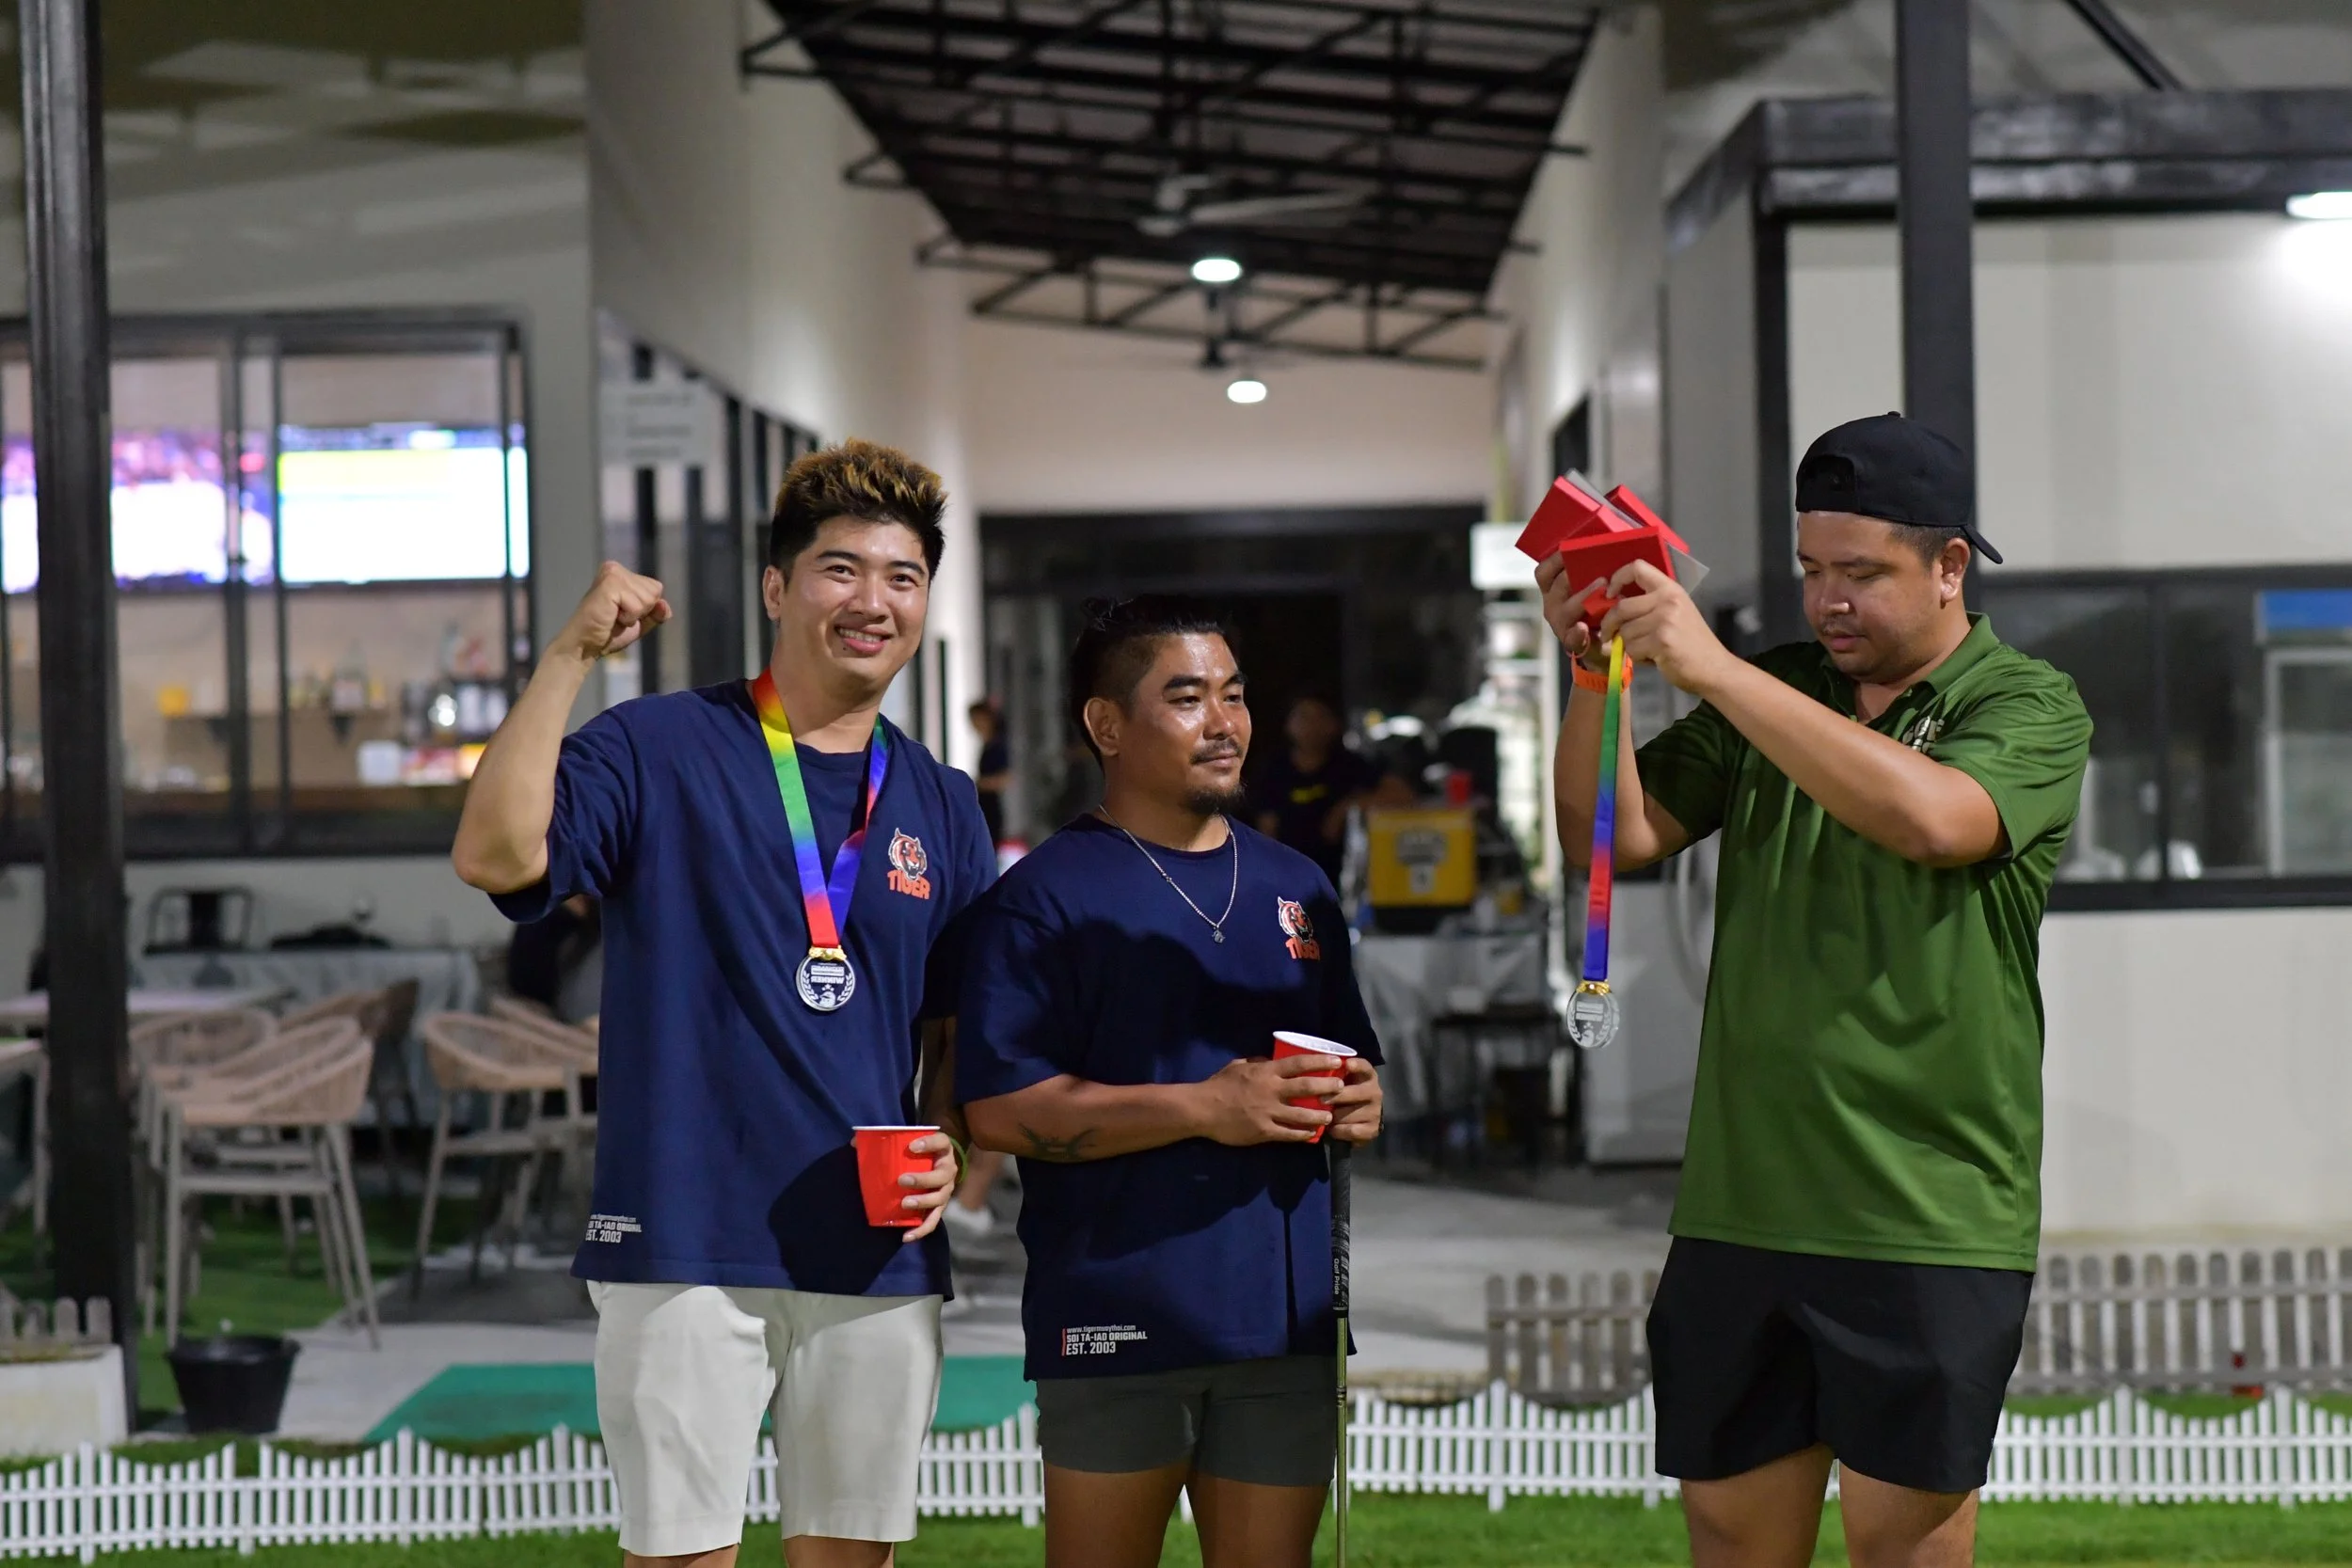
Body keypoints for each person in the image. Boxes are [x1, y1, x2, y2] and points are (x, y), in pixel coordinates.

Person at [1541, 413, 2090, 1568]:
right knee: (1731, 1539)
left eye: (1861, 573)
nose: (1828, 600)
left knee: (1907, 1546)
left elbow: (1937, 819)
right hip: (1743, 1204)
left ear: (1950, 567)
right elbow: (1618, 831)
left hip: (1926, 1211)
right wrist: (1595, 673)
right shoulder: (1779, 688)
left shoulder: (2028, 703)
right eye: (1809, 571)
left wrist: (1717, 671)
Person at [453, 439, 996, 1568]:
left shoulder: (940, 801)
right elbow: (493, 852)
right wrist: (568, 656)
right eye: (840, 569)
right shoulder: (659, 745)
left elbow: (954, 1025)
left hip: (874, 1248)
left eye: (902, 577)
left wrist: (951, 1147)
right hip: (684, 1236)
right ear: (778, 587)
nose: (873, 601)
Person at [956, 600, 1385, 1568]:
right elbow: (1001, 1108)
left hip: (1284, 1320)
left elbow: (1351, 1062)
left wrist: (1361, 1101)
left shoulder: (1296, 884)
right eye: (1186, 697)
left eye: (1233, 695)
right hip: (1118, 1310)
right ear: (1106, 724)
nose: (1224, 721)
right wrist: (1205, 1104)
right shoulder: (1042, 899)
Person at [1249, 694, 1381, 883]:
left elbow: (1400, 794)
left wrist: (1345, 807)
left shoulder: (1350, 765)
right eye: (1304, 717)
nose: (1312, 725)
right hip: (1289, 872)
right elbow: (1266, 830)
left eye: (1321, 716)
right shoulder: (1274, 770)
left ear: (1335, 724)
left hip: (1341, 874)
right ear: (1288, 724)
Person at [968, 699, 1011, 847]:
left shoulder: (997, 745)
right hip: (984, 806)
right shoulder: (987, 745)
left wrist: (978, 783)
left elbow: (1004, 778)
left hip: (990, 808)